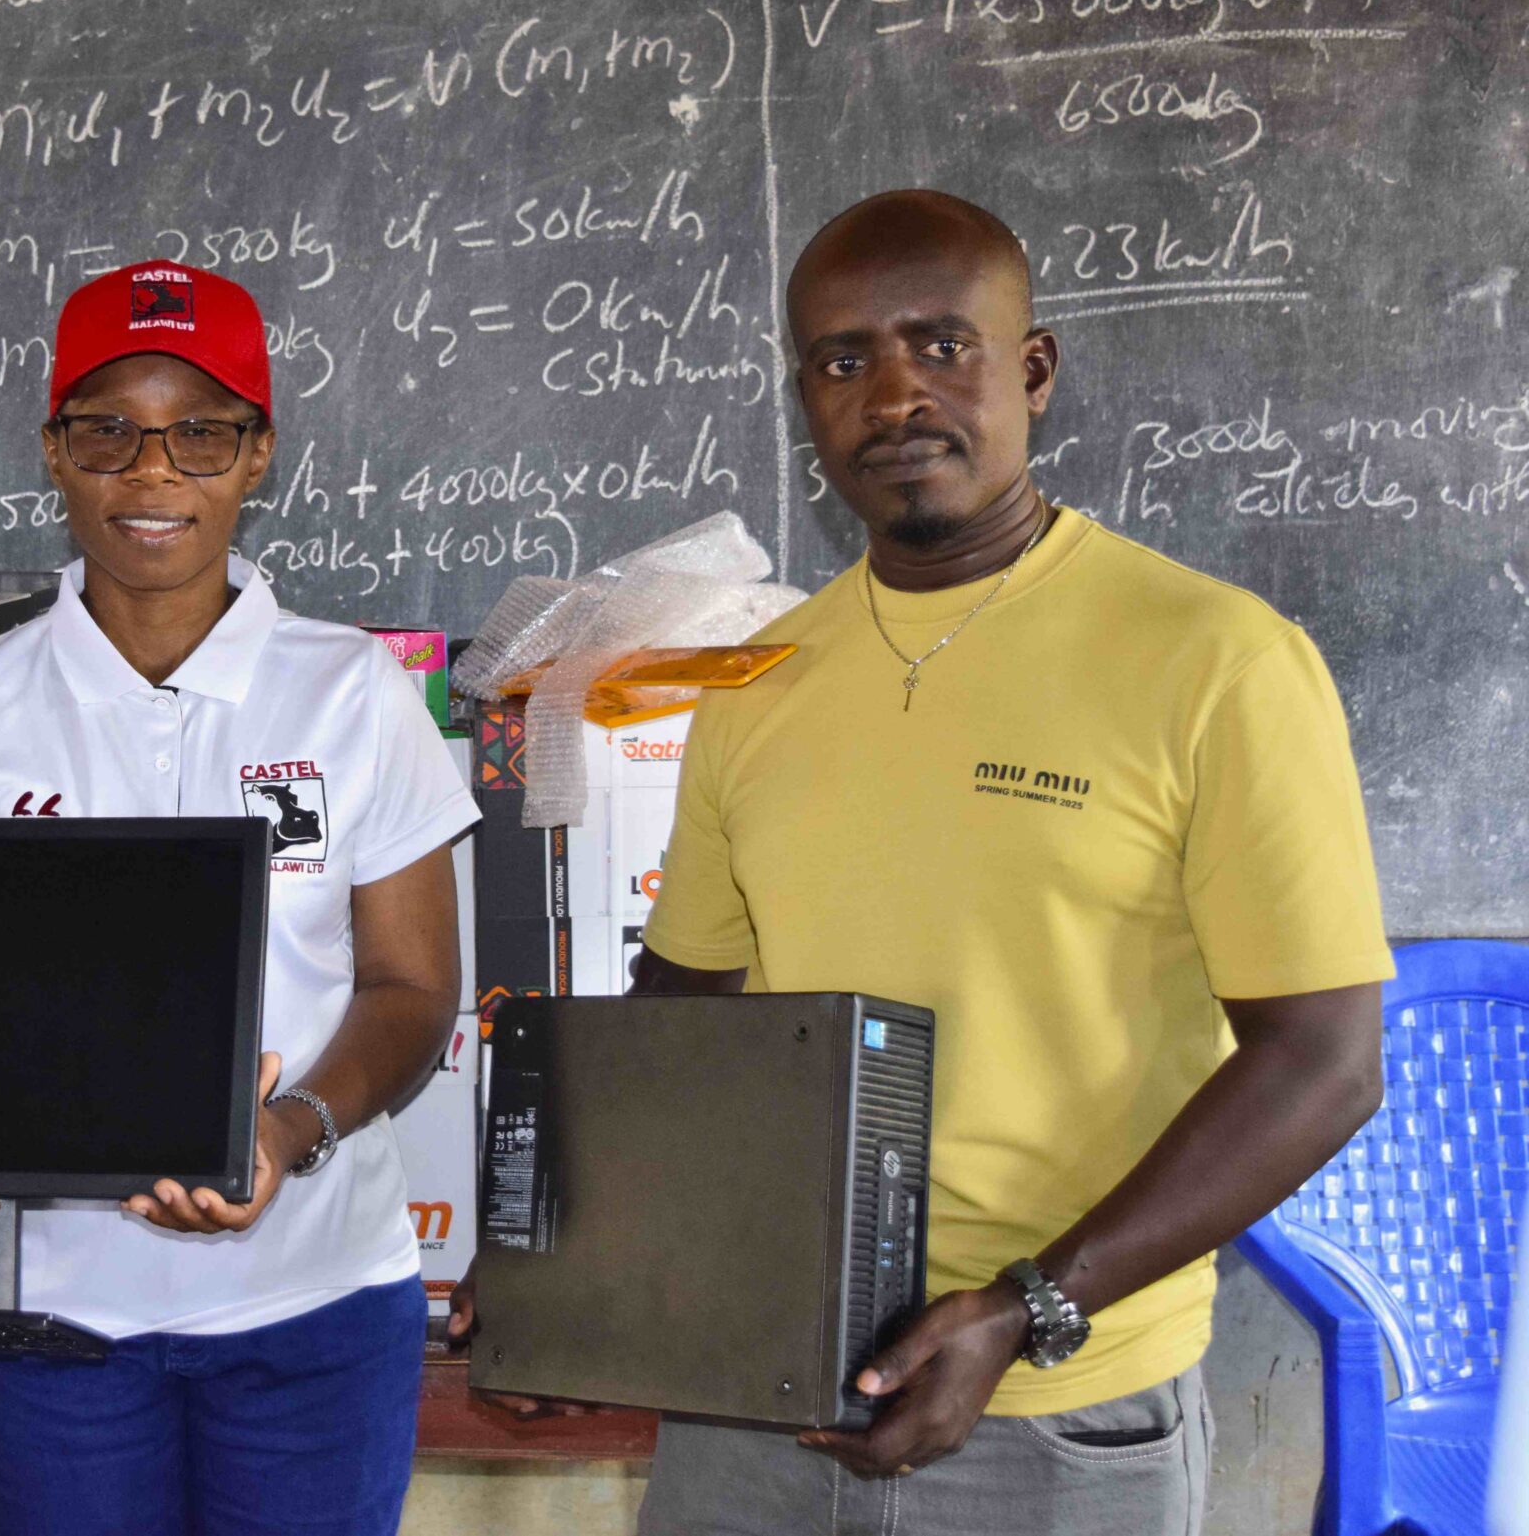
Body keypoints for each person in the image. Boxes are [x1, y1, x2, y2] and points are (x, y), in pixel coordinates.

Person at [453, 189, 1392, 1536]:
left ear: (1034, 368)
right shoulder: (759, 687)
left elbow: (1323, 1059)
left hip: (1065, 1422)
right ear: (806, 401)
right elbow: (684, 1011)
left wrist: (1029, 1307)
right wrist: (563, 1256)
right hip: (764, 1395)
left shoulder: (1215, 662)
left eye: (943, 344)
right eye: (845, 360)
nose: (896, 394)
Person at [0, 260, 477, 1535]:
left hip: (314, 1308)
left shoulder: (353, 693)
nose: (152, 473)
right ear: (53, 452)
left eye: (200, 432)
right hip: (54, 1330)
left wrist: (287, 1130)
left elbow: (413, 991)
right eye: (109, 431)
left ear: (257, 456)